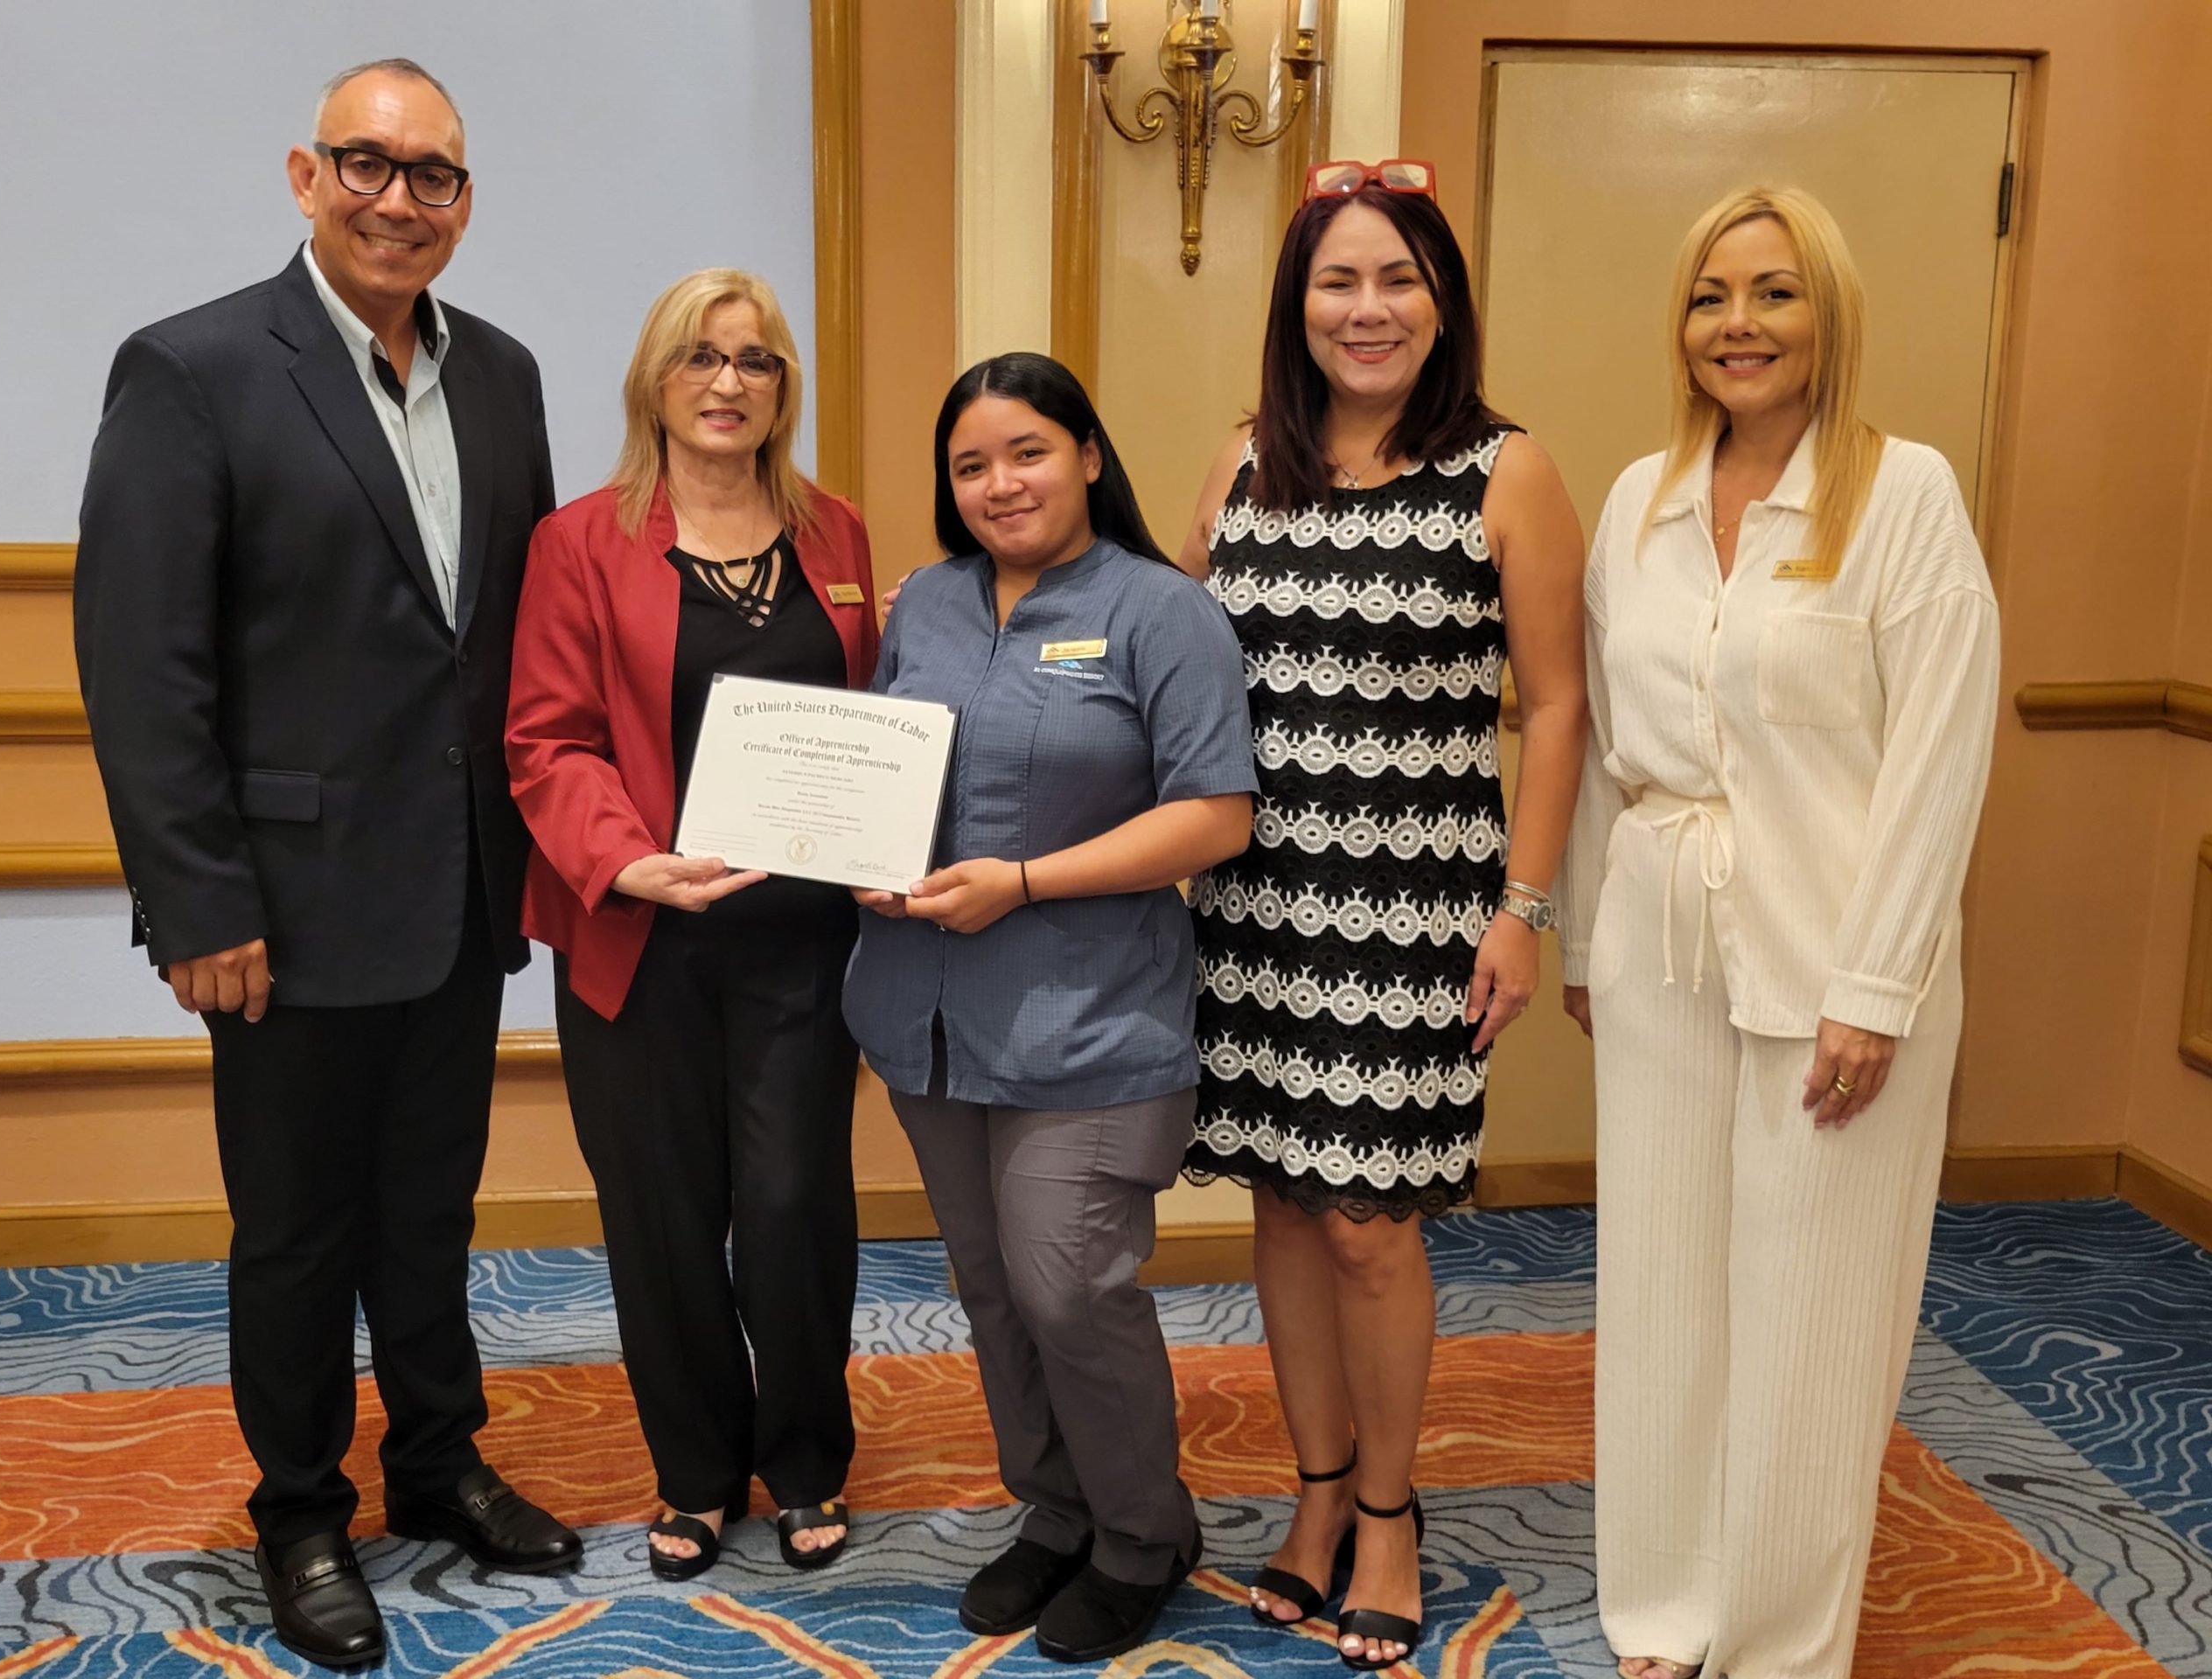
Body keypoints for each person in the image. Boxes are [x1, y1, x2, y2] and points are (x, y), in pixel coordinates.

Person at [73, 58, 578, 1670]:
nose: (398, 200)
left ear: (465, 204)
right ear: (306, 176)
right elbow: (142, 670)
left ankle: (436, 1462)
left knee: (429, 1210)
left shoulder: (504, 375)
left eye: (433, 176)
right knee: (295, 1231)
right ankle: (300, 1509)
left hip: (460, 893)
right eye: (367, 163)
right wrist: (197, 898)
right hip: (280, 913)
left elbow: (515, 644)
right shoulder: (194, 368)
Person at [1555, 186, 1999, 1679]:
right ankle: (1667, 1609)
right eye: (1710, 296)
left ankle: (1779, 1643)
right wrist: (1584, 942)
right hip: (1661, 951)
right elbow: (1605, 741)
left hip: (1836, 965)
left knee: (1812, 1316)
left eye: (1774, 292)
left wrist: (1876, 986)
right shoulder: (1640, 500)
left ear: (1830, 315)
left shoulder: (1904, 493)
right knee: (1665, 1291)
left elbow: (1939, 759)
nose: (1737, 323)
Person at [1177, 159, 1587, 1671]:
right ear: (1298, 305)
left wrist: (1524, 910)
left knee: (1369, 1224)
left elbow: (1558, 707)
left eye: (1397, 279)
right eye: (1338, 280)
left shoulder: (1505, 470)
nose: (1368, 308)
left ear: (1442, 302)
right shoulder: (1244, 465)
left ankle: (1392, 1516)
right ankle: (1315, 1495)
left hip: (1416, 913)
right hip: (1257, 905)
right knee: (1285, 1208)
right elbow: (1161, 642)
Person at [843, 352, 1259, 1663]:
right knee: (992, 1290)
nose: (1001, 483)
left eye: (1027, 451)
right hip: (926, 1012)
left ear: (1087, 454)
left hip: (1092, 1021)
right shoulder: (929, 604)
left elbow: (1217, 816)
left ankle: (1143, 1533)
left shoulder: (1162, 611)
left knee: (1069, 1284)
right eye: (971, 465)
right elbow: (882, 765)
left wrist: (1021, 882)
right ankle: (1058, 1508)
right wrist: (854, 848)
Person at [506, 270, 877, 1579]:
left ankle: (808, 1456)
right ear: (654, 382)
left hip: (804, 946)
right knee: (661, 1217)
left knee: (793, 1207)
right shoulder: (579, 542)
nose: (729, 383)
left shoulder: (838, 532)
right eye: (701, 358)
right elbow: (547, 740)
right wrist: (631, 864)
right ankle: (698, 1471)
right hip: (641, 940)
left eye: (757, 360)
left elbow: (871, 721)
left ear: (784, 387)